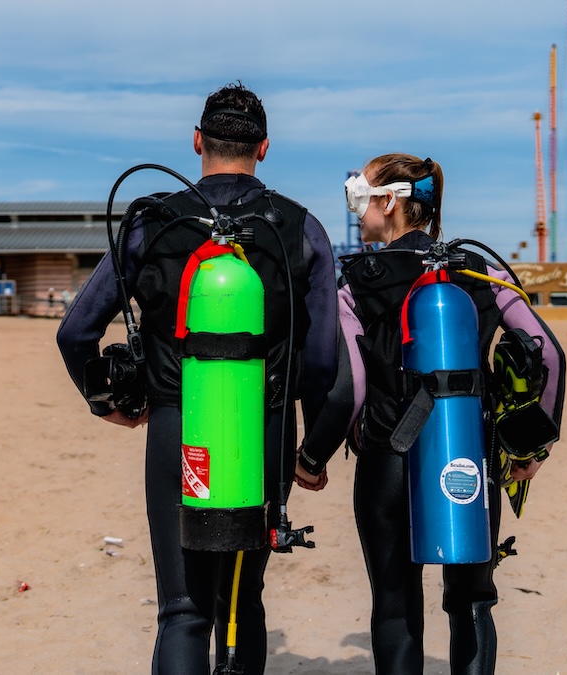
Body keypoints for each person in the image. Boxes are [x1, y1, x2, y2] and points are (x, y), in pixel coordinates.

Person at [56, 82, 337, 675]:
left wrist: (105, 401)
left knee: (183, 611)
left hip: (176, 425)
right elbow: (320, 361)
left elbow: (76, 331)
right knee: (243, 599)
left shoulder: (151, 222)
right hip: (264, 431)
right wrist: (309, 450)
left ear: (195, 141)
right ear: (264, 148)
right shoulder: (302, 228)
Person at [294, 153, 566, 674]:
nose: (357, 213)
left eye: (360, 199)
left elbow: (349, 391)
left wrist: (311, 457)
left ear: (389, 203)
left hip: (387, 461)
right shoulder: (481, 272)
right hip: (468, 454)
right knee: (472, 599)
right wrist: (533, 450)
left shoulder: (357, 282)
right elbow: (548, 355)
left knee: (395, 602)